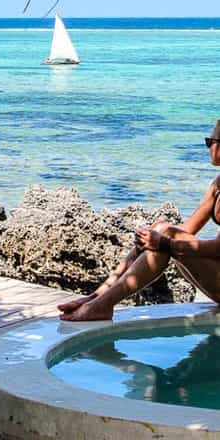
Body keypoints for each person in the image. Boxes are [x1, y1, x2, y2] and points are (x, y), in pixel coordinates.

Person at [58, 120, 220, 321]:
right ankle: (97, 297)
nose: (208, 147)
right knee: (161, 228)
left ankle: (104, 304)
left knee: (165, 237)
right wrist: (152, 237)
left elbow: (218, 248)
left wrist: (165, 243)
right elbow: (188, 229)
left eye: (209, 141)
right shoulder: (217, 184)